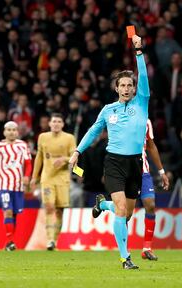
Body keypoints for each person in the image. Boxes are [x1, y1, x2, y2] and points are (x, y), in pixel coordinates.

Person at [69, 35, 148, 270]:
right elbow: (93, 132)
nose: (126, 88)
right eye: (122, 85)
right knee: (122, 209)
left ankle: (103, 205)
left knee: (128, 213)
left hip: (135, 162)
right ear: (116, 88)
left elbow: (143, 76)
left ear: (134, 89)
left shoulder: (141, 102)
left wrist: (139, 52)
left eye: (129, 85)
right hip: (113, 162)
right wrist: (76, 151)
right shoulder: (108, 110)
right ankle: (125, 258)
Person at [94, 119, 170, 261]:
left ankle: (147, 248)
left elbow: (151, 146)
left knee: (150, 205)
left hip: (143, 171)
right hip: (124, 171)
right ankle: (103, 205)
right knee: (126, 214)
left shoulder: (146, 121)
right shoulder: (119, 118)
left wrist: (161, 171)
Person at [30, 113, 76, 251]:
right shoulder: (43, 137)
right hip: (47, 178)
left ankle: (55, 240)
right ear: (49, 124)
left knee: (60, 210)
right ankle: (49, 239)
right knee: (49, 207)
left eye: (59, 121)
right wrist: (34, 177)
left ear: (62, 124)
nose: (56, 124)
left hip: (62, 179)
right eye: (54, 121)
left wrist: (64, 159)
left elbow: (74, 156)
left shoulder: (69, 138)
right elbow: (39, 157)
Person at [0, 121, 32, 251]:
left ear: (17, 132)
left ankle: (10, 242)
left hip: (18, 186)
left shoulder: (23, 145)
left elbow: (29, 163)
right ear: (4, 132)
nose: (11, 132)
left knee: (14, 214)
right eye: (9, 130)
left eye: (14, 130)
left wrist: (26, 176)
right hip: (4, 185)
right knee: (7, 212)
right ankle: (10, 241)